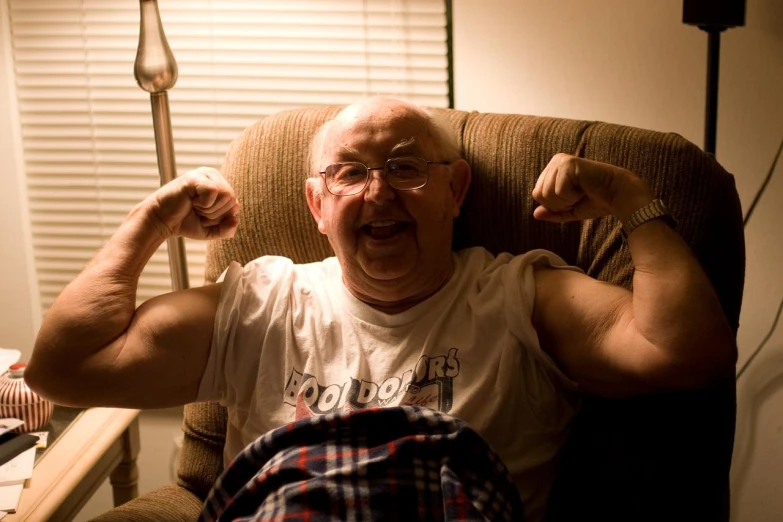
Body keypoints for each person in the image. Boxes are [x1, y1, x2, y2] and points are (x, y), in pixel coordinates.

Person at [25, 98, 736, 521]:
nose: (378, 192)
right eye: (349, 173)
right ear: (316, 203)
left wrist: (627, 200)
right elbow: (68, 369)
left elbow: (686, 352)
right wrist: (152, 218)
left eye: (404, 167)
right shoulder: (261, 301)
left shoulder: (518, 293)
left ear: (455, 190)